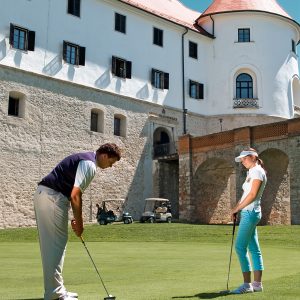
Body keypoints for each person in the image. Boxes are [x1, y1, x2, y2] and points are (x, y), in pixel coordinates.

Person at [33, 143, 121, 300]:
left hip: (47, 196)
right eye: (111, 162)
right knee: (55, 247)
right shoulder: (90, 164)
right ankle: (55, 294)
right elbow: (75, 195)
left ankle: (57, 291)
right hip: (52, 197)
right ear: (105, 155)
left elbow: (72, 194)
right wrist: (80, 225)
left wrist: (76, 218)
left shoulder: (85, 158)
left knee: (53, 247)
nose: (110, 166)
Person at [230, 148, 267, 294]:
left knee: (239, 247)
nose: (242, 161)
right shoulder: (251, 172)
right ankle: (257, 284)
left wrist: (236, 209)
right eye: (241, 159)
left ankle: (247, 285)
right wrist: (237, 209)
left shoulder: (257, 171)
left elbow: (252, 195)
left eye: (244, 158)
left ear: (253, 157)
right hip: (249, 212)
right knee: (254, 249)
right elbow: (246, 194)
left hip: (250, 212)